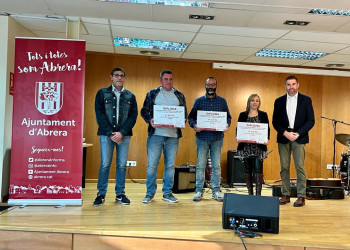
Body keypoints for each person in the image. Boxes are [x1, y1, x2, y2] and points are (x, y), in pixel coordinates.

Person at [141, 69, 187, 204]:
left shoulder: (179, 95)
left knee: (170, 165)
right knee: (152, 165)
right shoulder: (152, 93)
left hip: (173, 136)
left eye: (171, 79)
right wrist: (150, 119)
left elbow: (185, 113)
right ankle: (149, 193)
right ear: (161, 80)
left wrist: (183, 119)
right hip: (156, 135)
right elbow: (144, 110)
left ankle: (167, 193)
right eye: (166, 79)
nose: (169, 82)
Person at [93, 67, 138, 206]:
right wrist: (111, 133)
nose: (119, 78)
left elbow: (133, 116)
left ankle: (120, 194)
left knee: (121, 165)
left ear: (124, 78)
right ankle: (101, 194)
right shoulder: (102, 93)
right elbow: (99, 115)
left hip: (124, 135)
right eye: (117, 75)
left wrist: (122, 133)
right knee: (105, 164)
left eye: (122, 76)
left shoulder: (130, 96)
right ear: (111, 77)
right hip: (107, 135)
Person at [272, 75, 315, 207]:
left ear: (298, 85)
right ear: (285, 86)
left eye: (293, 84)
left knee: (299, 167)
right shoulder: (278, 101)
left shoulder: (306, 100)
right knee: (284, 167)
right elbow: (275, 121)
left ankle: (301, 196)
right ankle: (285, 194)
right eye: (289, 84)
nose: (291, 87)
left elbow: (311, 120)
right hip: (284, 137)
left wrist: (298, 133)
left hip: (299, 137)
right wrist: (285, 133)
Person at [188, 77, 231, 202]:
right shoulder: (199, 101)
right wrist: (194, 125)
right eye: (209, 84)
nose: (211, 86)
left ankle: (216, 191)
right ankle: (199, 191)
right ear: (205, 86)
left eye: (213, 84)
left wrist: (227, 124)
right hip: (202, 138)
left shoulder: (222, 101)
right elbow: (191, 117)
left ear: (216, 86)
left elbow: (228, 117)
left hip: (217, 138)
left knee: (216, 166)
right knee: (201, 165)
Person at [236, 94, 270, 196]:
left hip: (259, 148)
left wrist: (266, 138)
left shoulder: (263, 115)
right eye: (252, 100)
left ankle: (258, 194)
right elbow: (239, 129)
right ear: (249, 102)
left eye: (257, 101)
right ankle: (250, 194)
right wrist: (237, 136)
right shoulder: (242, 115)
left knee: (258, 169)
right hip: (246, 147)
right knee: (247, 169)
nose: (255, 103)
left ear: (259, 103)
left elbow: (267, 129)